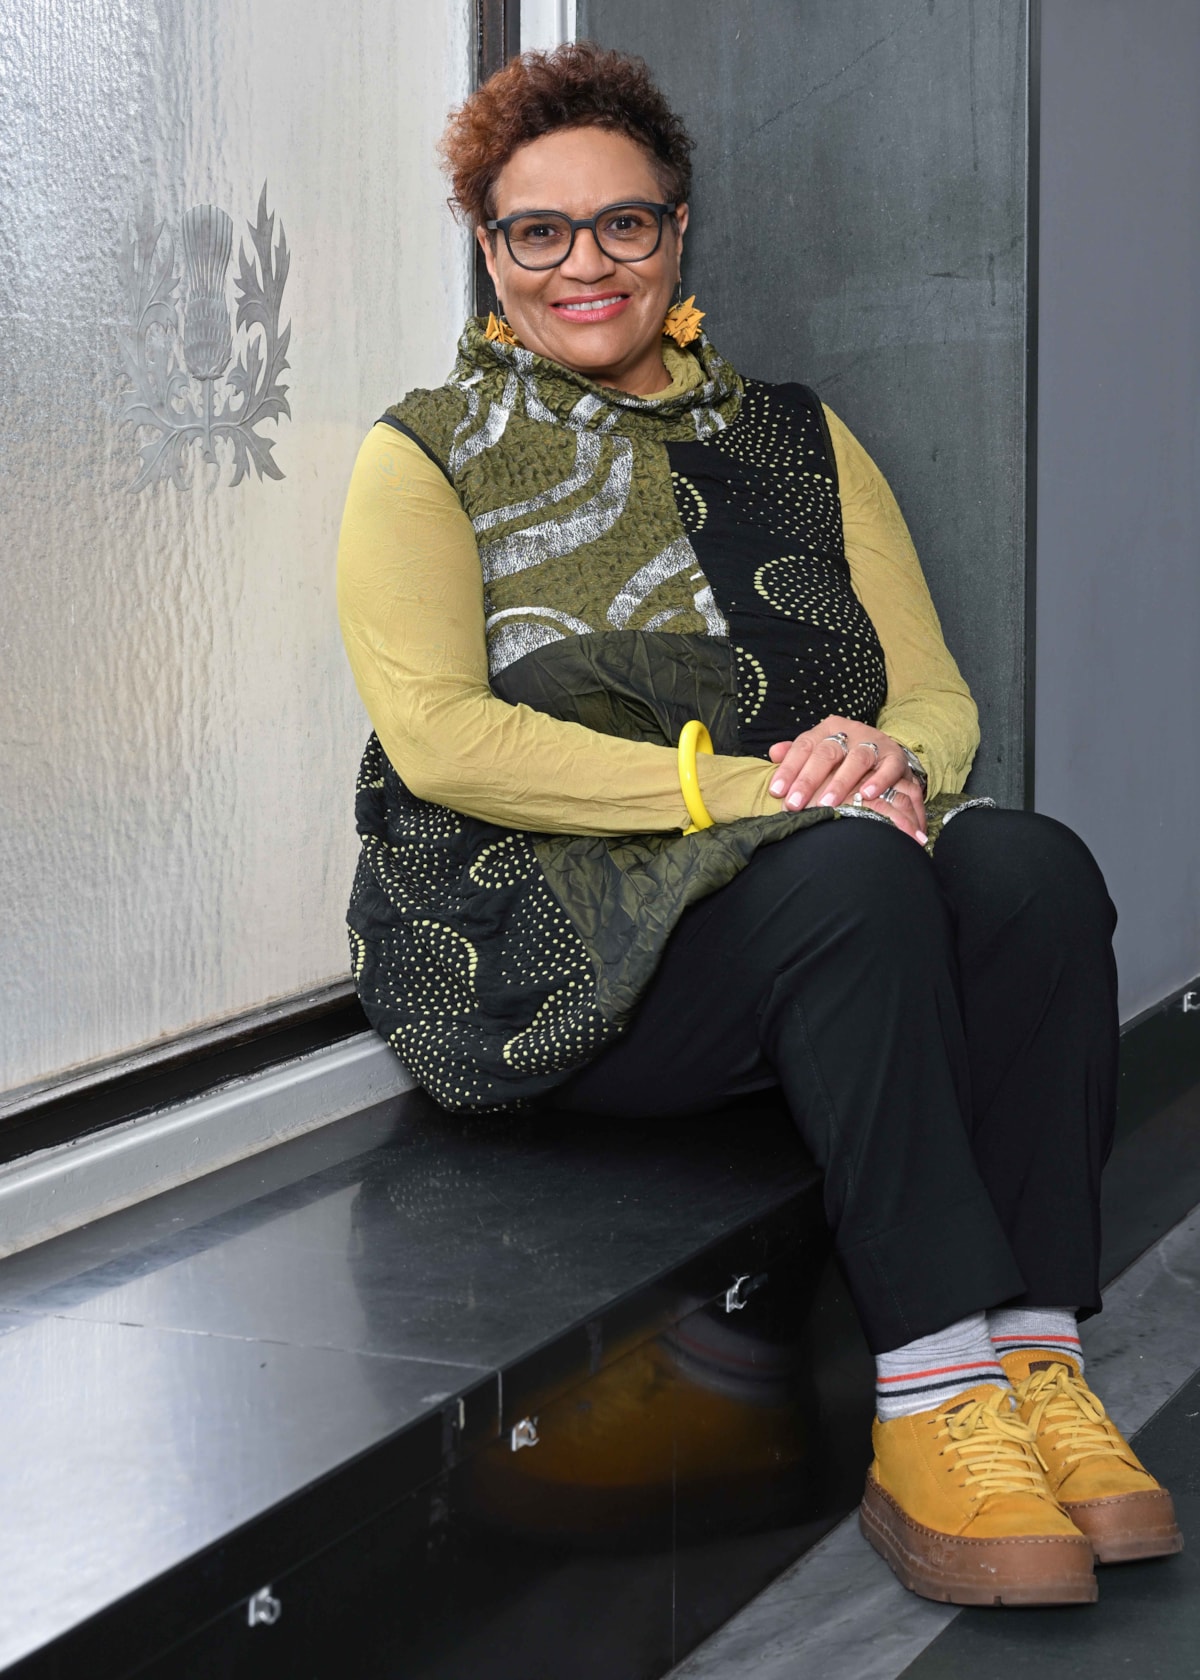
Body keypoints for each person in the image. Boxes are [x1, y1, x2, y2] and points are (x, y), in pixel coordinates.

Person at [336, 42, 1180, 1607]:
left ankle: (1038, 1362)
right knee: (852, 872)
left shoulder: (799, 435)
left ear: (677, 232)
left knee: (1031, 868)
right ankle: (931, 1396)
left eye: (626, 223)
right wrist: (758, 786)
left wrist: (880, 752)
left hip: (809, 893)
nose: (587, 262)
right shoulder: (424, 453)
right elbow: (440, 738)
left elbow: (935, 699)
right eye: (540, 230)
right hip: (564, 961)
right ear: (488, 246)